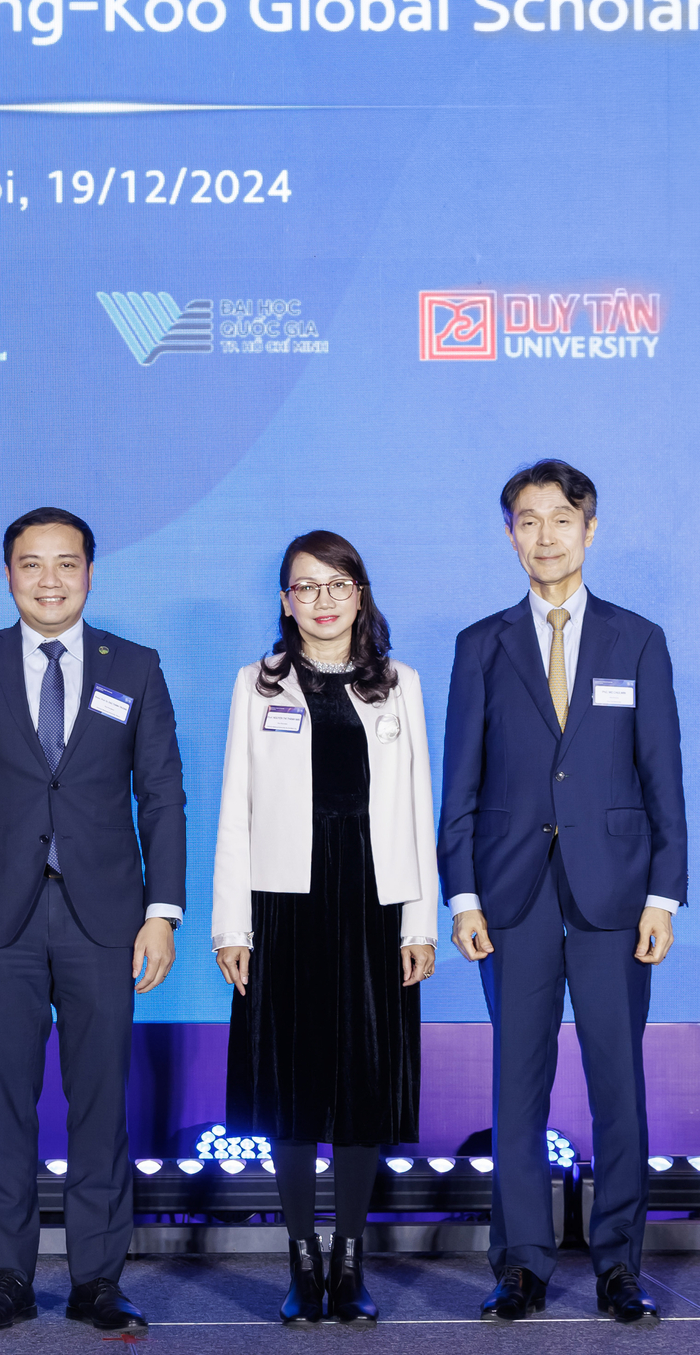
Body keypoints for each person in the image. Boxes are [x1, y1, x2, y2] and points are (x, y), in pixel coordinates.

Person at [0, 507, 187, 1332]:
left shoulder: (134, 666)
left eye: (65, 564)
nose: (48, 579)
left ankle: (97, 1280)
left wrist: (163, 912)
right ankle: (6, 1277)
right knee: (3, 1104)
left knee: (101, 1105)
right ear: (8, 574)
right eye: (30, 564)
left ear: (89, 573)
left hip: (107, 918)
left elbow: (162, 795)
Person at [441, 460, 686, 1327]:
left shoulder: (637, 640)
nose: (542, 536)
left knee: (619, 1086)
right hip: (509, 901)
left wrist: (664, 897)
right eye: (525, 521)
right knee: (517, 1091)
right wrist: (461, 897)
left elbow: (663, 780)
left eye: (558, 520)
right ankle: (519, 1267)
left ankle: (619, 1264)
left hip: (615, 900)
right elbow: (458, 783)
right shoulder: (481, 644)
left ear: (589, 529)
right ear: (508, 534)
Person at [211, 530, 439, 1324]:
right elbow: (234, 811)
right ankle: (301, 1258)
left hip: (376, 902)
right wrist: (229, 927)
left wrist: (422, 922)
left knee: (361, 1085)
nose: (323, 601)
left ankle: (350, 1257)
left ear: (361, 593)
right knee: (294, 1087)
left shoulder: (398, 684)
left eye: (337, 584)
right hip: (284, 902)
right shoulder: (257, 683)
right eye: (305, 587)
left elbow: (416, 807)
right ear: (285, 601)